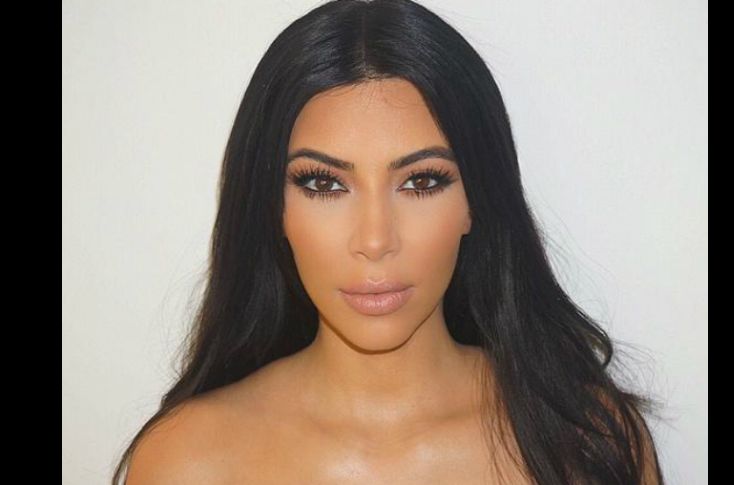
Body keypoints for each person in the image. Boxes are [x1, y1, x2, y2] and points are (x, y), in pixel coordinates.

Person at [113, 0, 666, 483]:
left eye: (421, 181)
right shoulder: (187, 461)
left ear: (477, 199)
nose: (375, 240)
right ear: (271, 207)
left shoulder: (588, 441)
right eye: (324, 184)